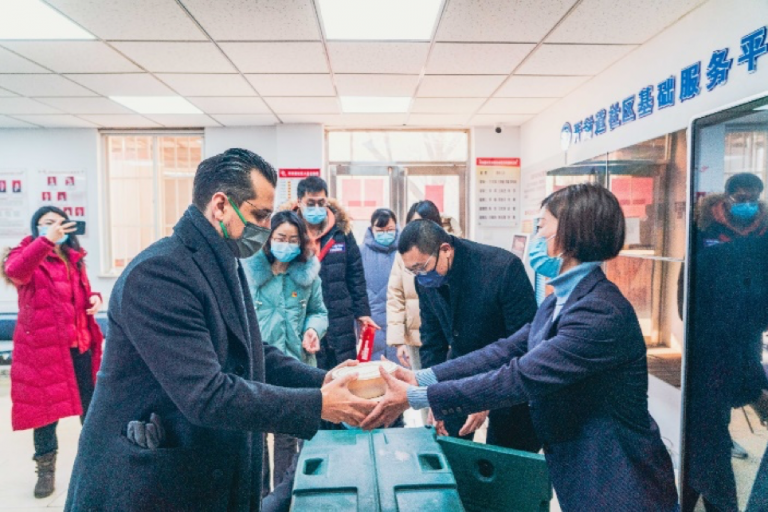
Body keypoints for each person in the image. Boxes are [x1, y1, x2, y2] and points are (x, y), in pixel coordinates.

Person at [64, 148, 374, 511]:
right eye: (259, 215)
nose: (265, 228)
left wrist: (323, 380)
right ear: (221, 206)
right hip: (149, 480)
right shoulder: (160, 274)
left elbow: (251, 352)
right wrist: (319, 405)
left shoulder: (223, 261)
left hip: (205, 469)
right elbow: (206, 394)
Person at [364, 184, 679, 512]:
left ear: (571, 233)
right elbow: (505, 350)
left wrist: (417, 397)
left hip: (620, 478)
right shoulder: (559, 301)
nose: (537, 237)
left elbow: (520, 377)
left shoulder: (599, 311)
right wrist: (422, 378)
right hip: (582, 469)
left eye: (542, 226)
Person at [394, 218, 540, 451]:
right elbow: (432, 341)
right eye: (412, 271)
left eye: (421, 267)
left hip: (509, 376)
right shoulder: (426, 281)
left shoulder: (502, 268)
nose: (419, 275)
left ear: (445, 250)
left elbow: (525, 343)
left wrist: (485, 395)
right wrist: (434, 396)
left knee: (504, 457)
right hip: (458, 372)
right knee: (450, 450)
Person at [1, 206, 104, 499]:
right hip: (44, 351)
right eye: (47, 223)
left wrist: (95, 298)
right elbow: (16, 272)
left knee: (92, 410)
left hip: (79, 345)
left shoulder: (74, 258)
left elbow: (80, 295)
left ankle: (96, 467)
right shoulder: (25, 254)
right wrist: (46, 240)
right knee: (45, 413)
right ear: (36, 227)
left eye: (60, 223)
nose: (55, 227)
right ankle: (46, 471)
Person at [242, 210, 328, 495]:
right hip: (255, 364)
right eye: (281, 237)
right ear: (268, 238)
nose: (287, 244)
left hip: (295, 363)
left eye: (293, 239)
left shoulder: (308, 275)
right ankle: (258, 498)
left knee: (287, 435)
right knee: (254, 434)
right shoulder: (248, 272)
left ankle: (281, 498)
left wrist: (313, 329)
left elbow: (319, 312)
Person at [290, 176, 376, 370]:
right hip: (301, 315)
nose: (316, 208)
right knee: (308, 373)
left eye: (321, 203)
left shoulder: (341, 231)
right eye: (310, 203)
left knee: (343, 371)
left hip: (339, 314)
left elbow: (355, 274)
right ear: (299, 202)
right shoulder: (288, 232)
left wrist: (362, 312)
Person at [387, 200, 443, 370]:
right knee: (420, 381)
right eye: (414, 224)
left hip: (446, 336)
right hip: (415, 337)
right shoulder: (403, 256)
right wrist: (399, 342)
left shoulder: (446, 252)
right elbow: (395, 296)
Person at [360, 208, 399, 362]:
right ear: (372, 229)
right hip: (371, 322)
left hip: (399, 324)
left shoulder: (405, 251)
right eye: (380, 230)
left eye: (389, 229)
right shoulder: (360, 252)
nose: (385, 234)